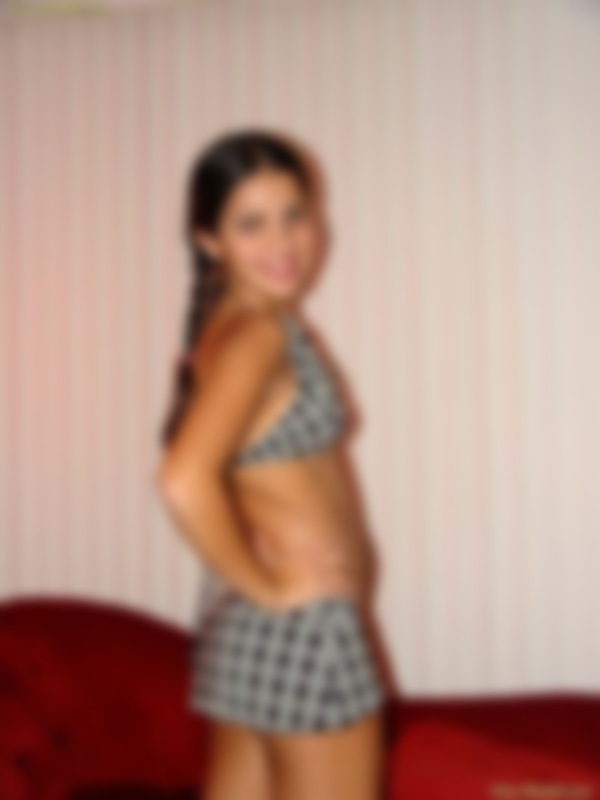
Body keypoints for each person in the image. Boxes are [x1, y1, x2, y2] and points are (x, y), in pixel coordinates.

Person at [155, 129, 390, 800]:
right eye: (251, 224)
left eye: (294, 214)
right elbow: (183, 480)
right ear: (209, 240)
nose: (283, 242)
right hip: (303, 630)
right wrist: (269, 587)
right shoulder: (256, 335)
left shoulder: (240, 325)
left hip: (258, 632)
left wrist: (259, 589)